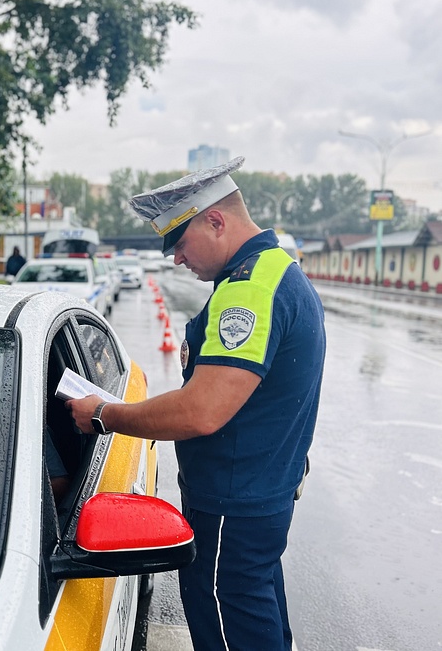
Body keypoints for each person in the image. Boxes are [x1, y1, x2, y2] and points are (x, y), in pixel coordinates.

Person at [66, 157, 325, 651]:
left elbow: (200, 411)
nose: (176, 260)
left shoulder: (247, 291)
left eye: (180, 244)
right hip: (258, 494)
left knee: (227, 624)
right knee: (257, 617)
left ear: (215, 220)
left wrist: (104, 414)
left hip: (234, 503)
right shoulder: (274, 271)